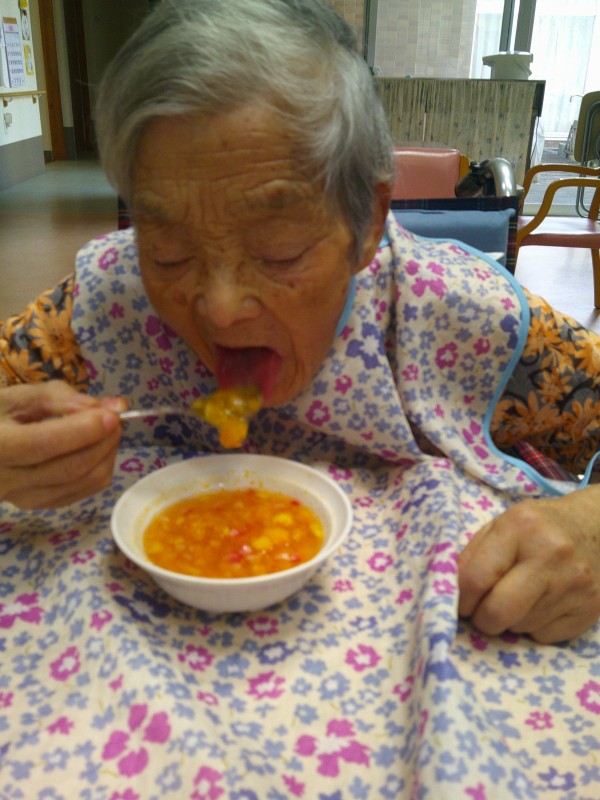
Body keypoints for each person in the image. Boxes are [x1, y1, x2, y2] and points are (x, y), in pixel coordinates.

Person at [1, 1, 600, 795]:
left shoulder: (460, 316)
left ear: (366, 223)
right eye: (170, 251)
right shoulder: (105, 307)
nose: (219, 309)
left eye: (279, 250)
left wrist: (592, 525)